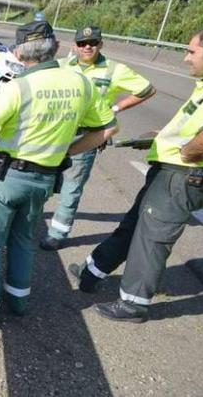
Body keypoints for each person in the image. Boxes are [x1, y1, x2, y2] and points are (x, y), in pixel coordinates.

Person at [0, 20, 118, 327]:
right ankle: (18, 301)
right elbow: (108, 128)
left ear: (18, 54)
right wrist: (67, 152)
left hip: (5, 178)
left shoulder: (17, 88)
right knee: (23, 239)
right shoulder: (82, 84)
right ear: (57, 48)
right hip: (45, 179)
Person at [71, 31, 203, 323]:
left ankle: (133, 304)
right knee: (133, 226)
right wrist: (162, 139)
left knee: (152, 239)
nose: (185, 57)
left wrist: (188, 152)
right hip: (169, 169)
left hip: (183, 174)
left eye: (192, 52)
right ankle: (92, 271)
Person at [41, 26, 156, 250]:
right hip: (56, 131)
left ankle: (57, 233)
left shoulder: (114, 70)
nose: (87, 47)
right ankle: (30, 220)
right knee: (42, 176)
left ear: (101, 44)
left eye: (93, 42)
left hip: (88, 134)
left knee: (72, 184)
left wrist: (115, 107)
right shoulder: (63, 65)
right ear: (74, 45)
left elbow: (147, 89)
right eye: (82, 43)